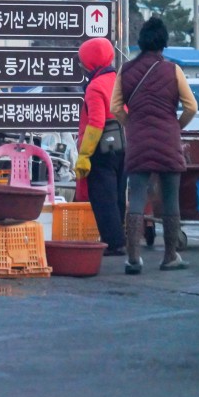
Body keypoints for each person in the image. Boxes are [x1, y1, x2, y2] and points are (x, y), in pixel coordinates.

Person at [111, 16, 198, 274]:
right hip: (168, 140)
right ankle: (170, 256)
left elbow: (115, 107)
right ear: (163, 42)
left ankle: (133, 259)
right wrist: (176, 126)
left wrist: (131, 123)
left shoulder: (125, 70)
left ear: (142, 41)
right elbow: (192, 106)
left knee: (136, 196)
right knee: (170, 199)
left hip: (137, 139)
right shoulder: (172, 70)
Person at [74, 38, 126, 256]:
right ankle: (119, 237)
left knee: (103, 198)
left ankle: (113, 243)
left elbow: (95, 122)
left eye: (83, 61)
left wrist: (85, 154)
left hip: (101, 148)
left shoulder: (95, 86)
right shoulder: (117, 79)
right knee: (117, 195)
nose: (81, 65)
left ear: (91, 61)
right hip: (122, 144)